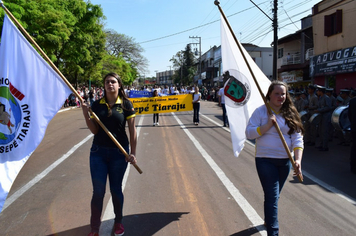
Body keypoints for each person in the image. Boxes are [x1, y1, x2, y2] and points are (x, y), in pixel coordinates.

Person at [81, 72, 137, 236]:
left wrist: (133, 153)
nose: (110, 84)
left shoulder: (126, 104)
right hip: (98, 152)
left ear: (119, 85)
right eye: (107, 82)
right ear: (104, 85)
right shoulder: (97, 105)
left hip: (119, 154)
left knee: (115, 189)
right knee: (98, 192)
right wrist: (86, 114)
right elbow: (94, 130)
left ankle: (118, 222)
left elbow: (133, 131)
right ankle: (94, 229)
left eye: (113, 82)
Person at [245, 80, 303, 236]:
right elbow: (249, 133)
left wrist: (297, 160)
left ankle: (268, 220)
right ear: (269, 94)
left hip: (285, 162)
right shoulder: (261, 112)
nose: (280, 97)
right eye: (276, 93)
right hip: (265, 160)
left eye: (283, 93)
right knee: (272, 196)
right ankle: (273, 232)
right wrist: (267, 126)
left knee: (274, 196)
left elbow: (298, 139)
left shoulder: (290, 112)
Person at [348, 95, 356, 174]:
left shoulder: (352, 101)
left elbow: (349, 114)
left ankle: (353, 166)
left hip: (354, 127)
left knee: (354, 147)